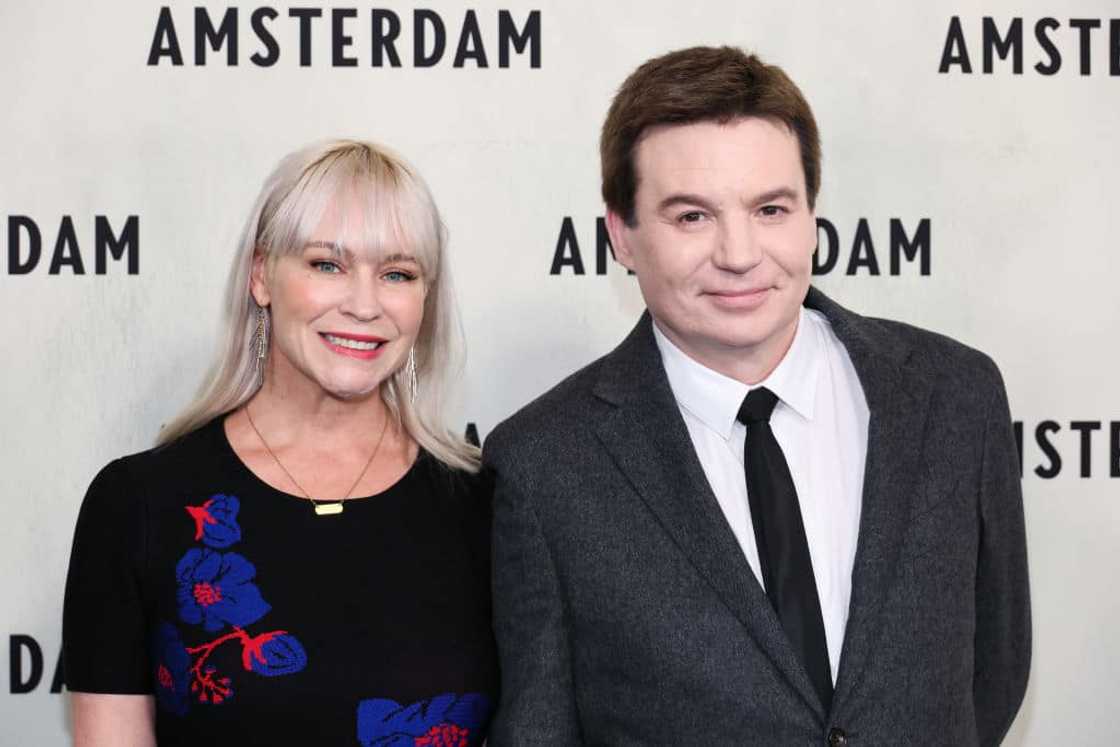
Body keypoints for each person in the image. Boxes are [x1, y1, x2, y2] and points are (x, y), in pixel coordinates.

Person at [486, 46, 1030, 745]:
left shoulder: (955, 397)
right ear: (621, 235)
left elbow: (995, 675)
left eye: (770, 208)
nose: (740, 253)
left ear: (811, 214)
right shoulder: (543, 465)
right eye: (691, 217)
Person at [63, 140, 498, 746]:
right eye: (328, 265)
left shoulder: (488, 504)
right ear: (262, 274)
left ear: (425, 298)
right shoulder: (140, 505)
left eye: (397, 274)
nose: (365, 304)